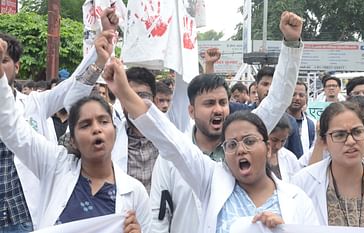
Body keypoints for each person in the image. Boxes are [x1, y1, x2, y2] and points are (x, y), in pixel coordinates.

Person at [100, 55, 320, 232]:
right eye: (232, 144)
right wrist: (123, 91)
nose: (241, 149)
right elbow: (165, 136)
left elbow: (276, 101)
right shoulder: (209, 178)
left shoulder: (298, 200)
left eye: (250, 141)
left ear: (269, 146)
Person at [150, 11, 306, 233]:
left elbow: (278, 99)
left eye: (223, 102)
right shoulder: (171, 157)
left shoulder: (246, 134)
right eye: (209, 103)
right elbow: (158, 220)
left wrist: (291, 44)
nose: (218, 109)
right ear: (191, 111)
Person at [0, 41, 149, 231]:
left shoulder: (135, 193)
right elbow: (11, 126)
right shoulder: (54, 165)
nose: (96, 129)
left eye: (103, 121)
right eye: (85, 125)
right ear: (73, 140)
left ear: (115, 130)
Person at [292, 101, 364, 229]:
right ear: (324, 141)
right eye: (340, 135)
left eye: (357, 132)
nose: (351, 141)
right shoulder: (303, 184)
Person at [267, 113, 301, 182]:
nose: (278, 146)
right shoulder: (254, 158)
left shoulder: (290, 158)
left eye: (283, 141)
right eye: (274, 140)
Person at [286, 81, 316, 158]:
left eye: (301, 95)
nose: (297, 98)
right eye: (293, 94)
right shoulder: (278, 121)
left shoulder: (311, 124)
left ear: (306, 98)